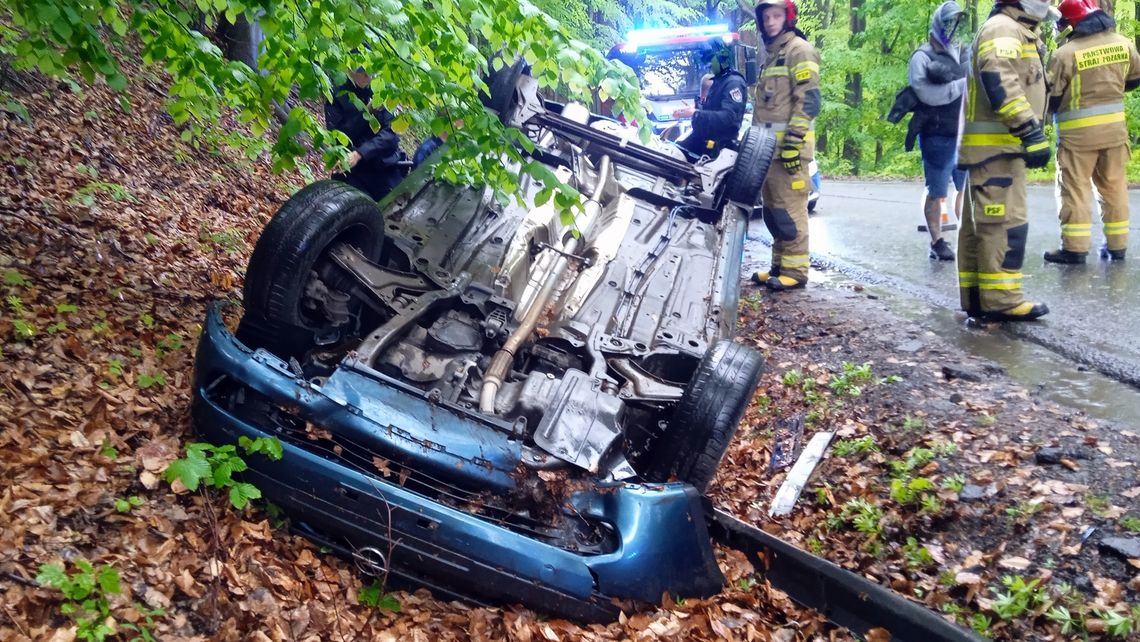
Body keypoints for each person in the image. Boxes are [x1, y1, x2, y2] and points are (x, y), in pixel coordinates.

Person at [955, 0, 1053, 322]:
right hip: (999, 147)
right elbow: (1001, 79)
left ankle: (978, 297)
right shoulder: (1003, 29)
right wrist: (1029, 130)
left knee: (981, 226)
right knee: (1004, 224)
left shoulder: (1014, 29)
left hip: (996, 149)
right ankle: (1001, 301)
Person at [1042, 0, 1140, 263]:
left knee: (1074, 190)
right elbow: (1134, 80)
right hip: (1115, 134)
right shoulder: (1123, 44)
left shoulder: (1065, 54)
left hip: (1077, 139)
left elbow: (1050, 97)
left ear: (1071, 23)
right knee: (1114, 188)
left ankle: (1074, 249)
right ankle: (1117, 246)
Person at [749, 0, 820, 291]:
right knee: (774, 212)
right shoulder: (772, 55)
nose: (770, 22)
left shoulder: (798, 50)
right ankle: (778, 266)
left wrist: (793, 142)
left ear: (787, 17)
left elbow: (810, 101)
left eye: (776, 16)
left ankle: (796, 271)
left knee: (791, 211)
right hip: (769, 152)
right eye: (766, 17)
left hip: (790, 151)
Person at [909, 1, 970, 261]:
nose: (953, 28)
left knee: (965, 189)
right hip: (936, 134)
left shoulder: (964, 53)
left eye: (957, 22)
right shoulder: (922, 56)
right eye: (949, 23)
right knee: (937, 191)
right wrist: (961, 85)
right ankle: (937, 241)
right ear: (939, 25)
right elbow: (927, 94)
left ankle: (968, 236)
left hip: (964, 132)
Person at [324, 69, 405, 201]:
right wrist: (366, 112)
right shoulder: (336, 95)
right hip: (354, 173)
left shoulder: (379, 93)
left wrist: (361, 152)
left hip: (385, 170)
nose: (368, 76)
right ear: (350, 69)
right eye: (361, 71)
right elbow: (338, 137)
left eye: (371, 71)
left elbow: (392, 135)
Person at [673, 39, 748, 159]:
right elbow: (713, 110)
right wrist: (694, 109)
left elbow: (729, 118)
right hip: (703, 143)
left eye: (710, 59)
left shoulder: (733, 83)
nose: (707, 64)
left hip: (719, 150)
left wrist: (696, 114)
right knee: (674, 153)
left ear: (721, 57)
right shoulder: (720, 80)